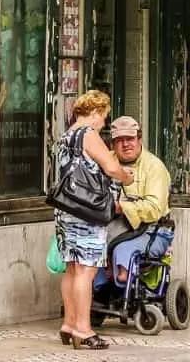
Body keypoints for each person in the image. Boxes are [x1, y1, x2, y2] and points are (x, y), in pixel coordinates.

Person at [55, 90, 134, 350]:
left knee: (71, 267)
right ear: (95, 112)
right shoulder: (88, 134)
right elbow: (110, 167)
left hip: (66, 208)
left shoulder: (65, 136)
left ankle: (68, 324)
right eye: (104, 117)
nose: (103, 124)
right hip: (88, 210)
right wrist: (126, 177)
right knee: (86, 270)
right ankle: (83, 329)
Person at [93, 116, 173, 294]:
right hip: (112, 226)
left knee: (122, 251)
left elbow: (154, 208)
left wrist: (121, 207)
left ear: (139, 139)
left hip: (152, 229)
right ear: (112, 144)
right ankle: (100, 290)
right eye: (119, 140)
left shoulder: (154, 167)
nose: (126, 144)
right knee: (90, 247)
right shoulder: (106, 162)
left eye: (130, 139)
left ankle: (121, 282)